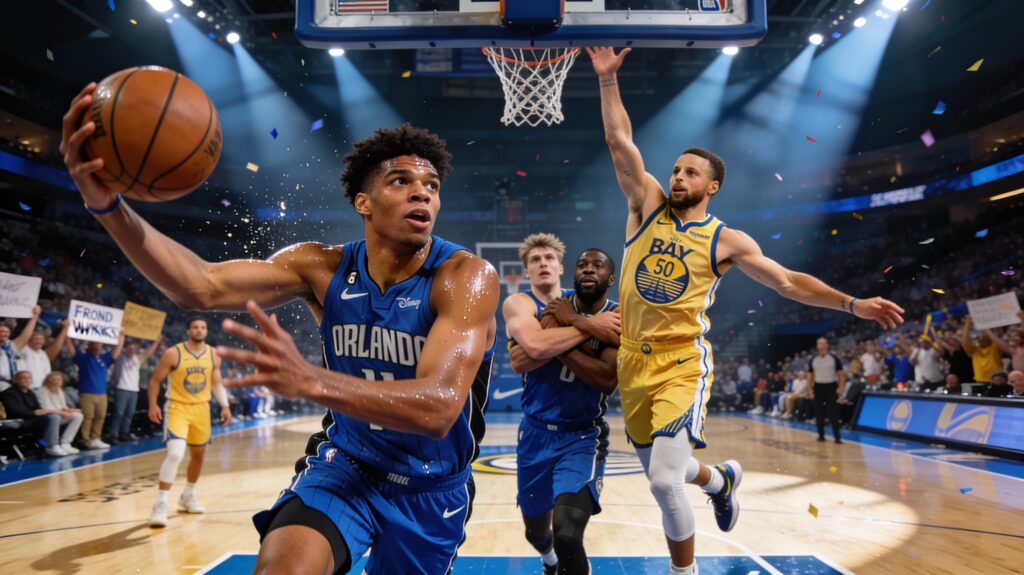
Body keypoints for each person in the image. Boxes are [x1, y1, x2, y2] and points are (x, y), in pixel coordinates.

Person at [62, 95, 498, 574]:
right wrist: (105, 205)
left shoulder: (465, 276)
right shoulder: (321, 266)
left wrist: (310, 381)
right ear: (364, 203)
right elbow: (200, 286)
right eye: (402, 181)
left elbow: (438, 408)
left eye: (432, 185)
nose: (423, 194)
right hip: (347, 465)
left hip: (430, 486)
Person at [588, 46, 904, 575]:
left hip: (681, 363)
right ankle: (720, 480)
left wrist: (852, 304)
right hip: (633, 364)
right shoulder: (645, 205)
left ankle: (682, 572)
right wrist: (606, 82)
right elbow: (620, 143)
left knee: (662, 481)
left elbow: (787, 282)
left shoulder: (725, 239)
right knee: (669, 470)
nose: (678, 177)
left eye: (690, 172)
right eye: (676, 169)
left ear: (712, 186)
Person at [504, 239, 620, 575]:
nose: (542, 263)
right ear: (525, 270)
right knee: (536, 532)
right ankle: (549, 560)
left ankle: (561, 558)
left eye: (549, 257)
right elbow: (521, 358)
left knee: (568, 533)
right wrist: (588, 329)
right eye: (535, 259)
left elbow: (606, 379)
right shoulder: (523, 303)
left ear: (560, 267)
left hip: (582, 437)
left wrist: (573, 325)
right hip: (535, 435)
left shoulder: (600, 308)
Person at [146, 319, 230, 527]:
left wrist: (225, 405)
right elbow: (155, 380)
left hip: (202, 408)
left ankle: (188, 496)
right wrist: (153, 405)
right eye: (195, 327)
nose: (199, 330)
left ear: (207, 331)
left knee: (199, 456)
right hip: (177, 407)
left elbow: (216, 382)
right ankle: (160, 504)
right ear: (188, 330)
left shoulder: (213, 354)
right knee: (175, 453)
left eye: (203, 327)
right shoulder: (173, 353)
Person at [64, 334, 124, 449]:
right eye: (94, 344)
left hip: (102, 393)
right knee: (87, 416)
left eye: (99, 344)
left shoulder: (105, 358)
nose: (97, 346)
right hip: (86, 393)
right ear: (89, 346)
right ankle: (85, 439)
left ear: (102, 347)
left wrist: (121, 336)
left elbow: (117, 351)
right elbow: (71, 349)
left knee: (100, 416)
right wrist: (67, 334)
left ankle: (95, 438)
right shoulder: (82, 358)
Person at [0, 371, 74, 457]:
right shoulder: (8, 393)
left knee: (53, 417)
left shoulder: (30, 393)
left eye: (29, 378)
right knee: (53, 417)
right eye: (24, 378)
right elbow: (14, 410)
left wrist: (39, 412)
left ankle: (51, 444)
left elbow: (37, 408)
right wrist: (34, 412)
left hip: (32, 419)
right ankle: (51, 446)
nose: (27, 380)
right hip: (19, 421)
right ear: (15, 380)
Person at [109, 335, 162, 443]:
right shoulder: (120, 357)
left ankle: (124, 433)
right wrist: (121, 337)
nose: (131, 350)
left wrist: (156, 343)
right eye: (129, 348)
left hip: (134, 390)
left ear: (136, 349)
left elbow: (148, 353)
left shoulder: (137, 358)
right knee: (119, 413)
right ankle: (113, 435)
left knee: (129, 413)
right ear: (125, 348)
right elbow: (116, 349)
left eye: (134, 348)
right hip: (121, 388)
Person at [14, 311, 71, 389]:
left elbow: (56, 348)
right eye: (36, 338)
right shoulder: (22, 349)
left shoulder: (42, 354)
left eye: (41, 339)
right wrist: (35, 317)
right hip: (27, 388)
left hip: (43, 390)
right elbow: (24, 336)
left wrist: (65, 329)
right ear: (28, 339)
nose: (39, 341)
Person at [33, 371, 83, 454]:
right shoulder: (42, 391)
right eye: (54, 380)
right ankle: (52, 446)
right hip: (46, 417)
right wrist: (62, 412)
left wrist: (71, 410)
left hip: (59, 414)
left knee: (78, 416)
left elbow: (63, 407)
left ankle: (65, 443)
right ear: (48, 380)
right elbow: (46, 409)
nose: (56, 382)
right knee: (55, 417)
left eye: (59, 380)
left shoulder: (59, 390)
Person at [808, 338, 845, 443]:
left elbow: (841, 375)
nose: (822, 345)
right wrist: (810, 390)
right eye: (820, 343)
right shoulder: (813, 359)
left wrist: (841, 388)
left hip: (831, 387)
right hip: (818, 387)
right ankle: (821, 435)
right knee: (819, 413)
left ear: (827, 345)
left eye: (824, 343)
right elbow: (810, 376)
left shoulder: (834, 358)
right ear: (817, 346)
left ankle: (837, 437)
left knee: (834, 413)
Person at [961, 315, 1005, 383]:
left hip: (997, 380)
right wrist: (968, 323)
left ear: (990, 338)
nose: (981, 339)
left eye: (984, 337)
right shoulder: (974, 350)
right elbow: (964, 341)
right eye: (979, 338)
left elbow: (997, 339)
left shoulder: (995, 347)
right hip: (979, 381)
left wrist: (986, 330)